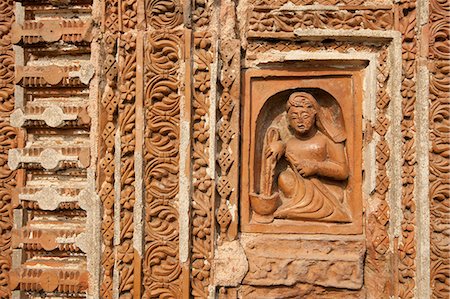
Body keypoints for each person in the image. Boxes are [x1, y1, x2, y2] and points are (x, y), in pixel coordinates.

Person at [259, 92, 351, 222]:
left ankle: (298, 211)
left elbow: (343, 171)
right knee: (284, 178)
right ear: (288, 121)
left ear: (315, 116)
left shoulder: (327, 140)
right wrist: (279, 146)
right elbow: (270, 165)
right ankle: (298, 209)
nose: (300, 121)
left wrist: (316, 167)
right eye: (295, 117)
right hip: (299, 194)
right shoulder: (289, 143)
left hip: (325, 192)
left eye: (305, 116)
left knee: (333, 198)